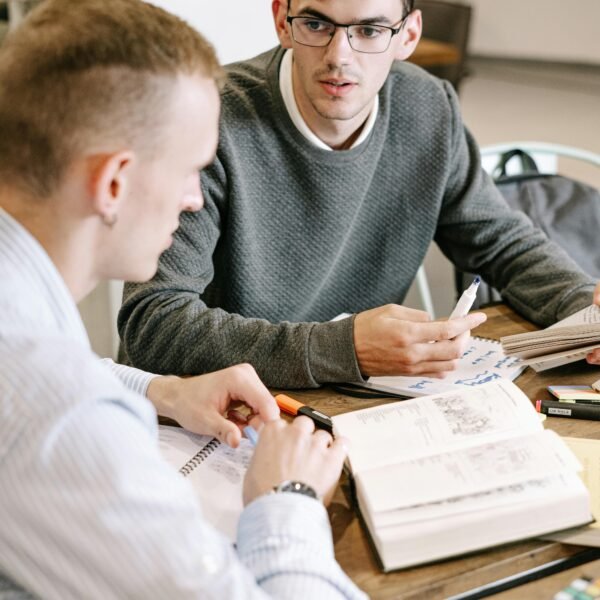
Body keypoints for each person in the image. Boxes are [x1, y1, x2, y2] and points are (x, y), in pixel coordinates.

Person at [0, 1, 366, 598]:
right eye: (192, 168)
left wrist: (161, 391)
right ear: (114, 182)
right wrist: (288, 499)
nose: (196, 199)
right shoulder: (61, 416)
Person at [118, 0, 600, 389]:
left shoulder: (429, 107)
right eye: (315, 23)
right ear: (281, 20)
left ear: (407, 35)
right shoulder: (210, 119)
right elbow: (153, 325)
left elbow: (501, 242)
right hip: (210, 418)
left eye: (369, 30)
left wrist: (585, 310)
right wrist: (342, 348)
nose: (339, 56)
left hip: (356, 405)